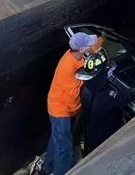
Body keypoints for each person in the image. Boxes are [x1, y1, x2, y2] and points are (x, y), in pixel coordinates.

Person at [44, 32, 103, 175]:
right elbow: (76, 92)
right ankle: (61, 172)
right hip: (60, 109)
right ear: (81, 48)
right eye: (88, 45)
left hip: (67, 107)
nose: (91, 46)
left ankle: (48, 168)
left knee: (58, 137)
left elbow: (96, 45)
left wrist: (103, 38)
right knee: (64, 146)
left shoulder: (77, 55)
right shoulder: (67, 67)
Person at [81, 59, 135, 153]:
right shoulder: (105, 97)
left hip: (92, 133)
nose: (110, 73)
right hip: (105, 139)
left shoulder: (85, 89)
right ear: (101, 76)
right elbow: (134, 92)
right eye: (107, 72)